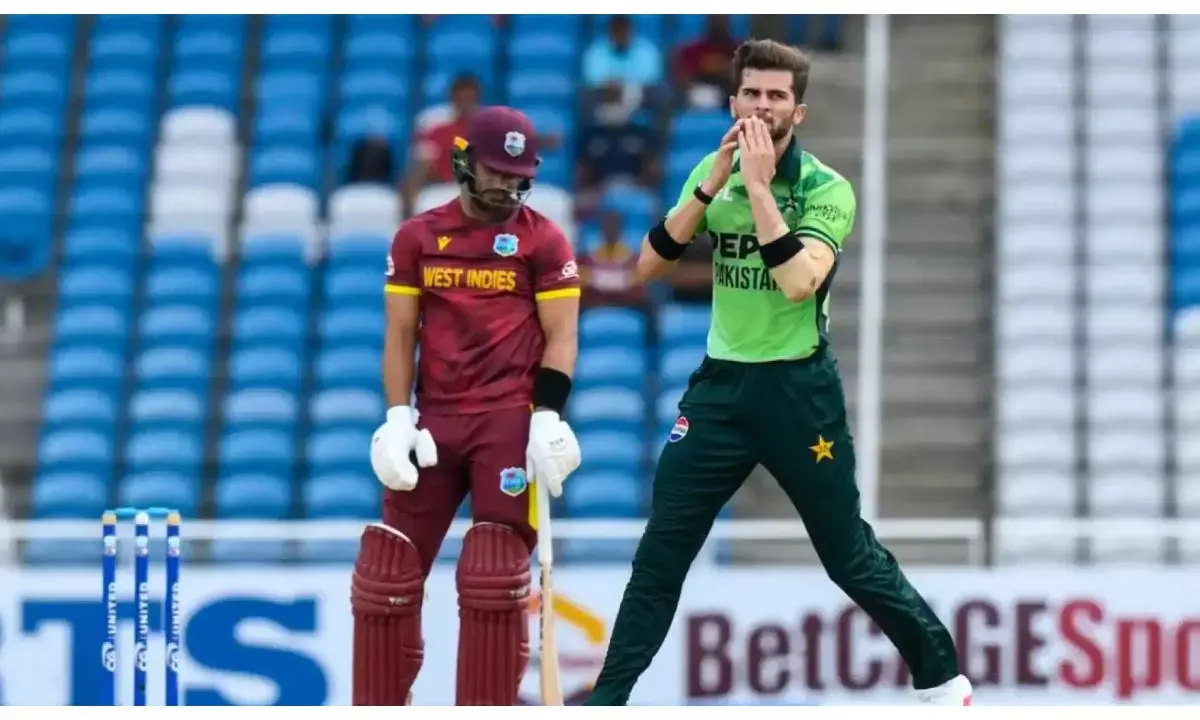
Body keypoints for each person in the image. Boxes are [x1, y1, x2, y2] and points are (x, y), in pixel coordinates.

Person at [583, 40, 973, 706]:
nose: (763, 106)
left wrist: (759, 191)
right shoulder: (712, 170)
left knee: (847, 556)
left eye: (777, 96)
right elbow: (646, 268)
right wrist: (712, 186)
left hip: (798, 392)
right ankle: (608, 701)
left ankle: (941, 678)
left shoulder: (827, 189)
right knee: (660, 558)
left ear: (801, 110)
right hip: (720, 392)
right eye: (753, 94)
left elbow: (798, 282)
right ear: (733, 101)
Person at [352, 106, 583, 706]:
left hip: (508, 420)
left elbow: (561, 335)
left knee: (492, 575)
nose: (509, 183)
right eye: (496, 171)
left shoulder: (543, 239)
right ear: (463, 163)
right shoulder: (418, 237)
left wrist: (548, 415)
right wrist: (398, 416)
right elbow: (400, 333)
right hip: (435, 422)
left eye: (518, 173)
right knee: (387, 575)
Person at [403, 73, 482, 216]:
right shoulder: (437, 129)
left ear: (477, 98)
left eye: (469, 98)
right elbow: (421, 166)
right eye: (461, 98)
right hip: (442, 187)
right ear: (453, 99)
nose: (465, 103)